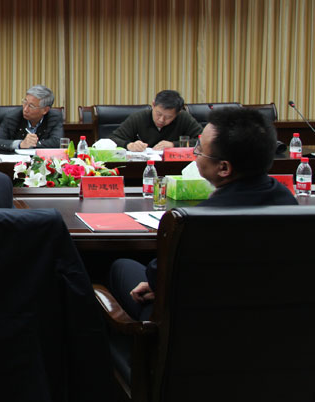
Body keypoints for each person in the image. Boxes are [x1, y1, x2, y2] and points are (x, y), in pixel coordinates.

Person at [109, 106, 297, 320]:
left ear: (224, 168)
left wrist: (155, 285)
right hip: (277, 324)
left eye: (199, 149)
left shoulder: (197, 221)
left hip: (198, 324)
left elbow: (158, 273)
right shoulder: (288, 203)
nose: (195, 153)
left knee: (121, 267)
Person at [109, 89, 202, 152]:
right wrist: (129, 145)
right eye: (158, 114)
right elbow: (112, 140)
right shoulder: (139, 117)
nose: (161, 120)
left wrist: (174, 145)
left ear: (178, 113)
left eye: (168, 117)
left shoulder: (184, 118)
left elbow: (203, 141)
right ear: (153, 105)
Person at [0, 85, 64, 152]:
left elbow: (58, 142)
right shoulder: (12, 117)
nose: (25, 109)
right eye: (25, 102)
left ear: (45, 110)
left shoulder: (54, 117)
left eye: (31, 106)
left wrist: (32, 144)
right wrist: (20, 144)